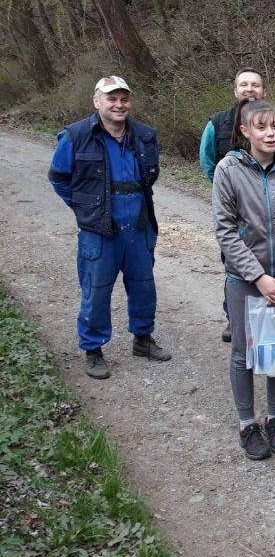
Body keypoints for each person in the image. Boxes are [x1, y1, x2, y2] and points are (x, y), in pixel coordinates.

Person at [49, 75, 171, 379]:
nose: (119, 105)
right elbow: (58, 177)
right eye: (111, 98)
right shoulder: (76, 135)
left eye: (123, 99)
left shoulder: (144, 135)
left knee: (144, 285)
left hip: (139, 225)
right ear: (97, 101)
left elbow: (150, 175)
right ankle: (93, 349)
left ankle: (143, 339)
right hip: (99, 229)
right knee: (96, 289)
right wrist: (85, 207)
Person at [212, 98, 275, 460]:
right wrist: (258, 277)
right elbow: (224, 230)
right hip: (243, 279)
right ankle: (247, 424)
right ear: (245, 131)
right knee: (243, 352)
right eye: (261, 127)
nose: (270, 133)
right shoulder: (228, 169)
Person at [199, 67, 275, 343]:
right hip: (238, 209)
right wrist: (230, 190)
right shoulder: (217, 123)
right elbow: (207, 161)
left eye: (255, 85)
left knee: (274, 265)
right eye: (244, 84)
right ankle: (235, 319)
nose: (249, 89)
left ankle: (271, 321)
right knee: (235, 266)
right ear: (235, 91)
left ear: (264, 91)